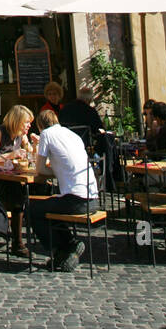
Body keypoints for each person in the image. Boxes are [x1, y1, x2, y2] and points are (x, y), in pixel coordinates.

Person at [28, 109, 99, 271]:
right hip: (92, 198)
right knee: (51, 205)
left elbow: (39, 170)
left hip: (75, 200)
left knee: (32, 209)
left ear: (40, 126)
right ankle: (68, 246)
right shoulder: (71, 134)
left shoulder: (46, 134)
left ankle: (62, 248)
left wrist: (55, 171)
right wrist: (61, 170)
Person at [0, 104, 39, 257]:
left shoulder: (21, 135)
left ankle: (18, 241)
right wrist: (10, 155)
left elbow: (30, 153)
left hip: (9, 178)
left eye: (29, 123)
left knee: (22, 193)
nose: (28, 125)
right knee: (17, 194)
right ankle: (17, 243)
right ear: (17, 120)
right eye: (26, 122)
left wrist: (35, 145)